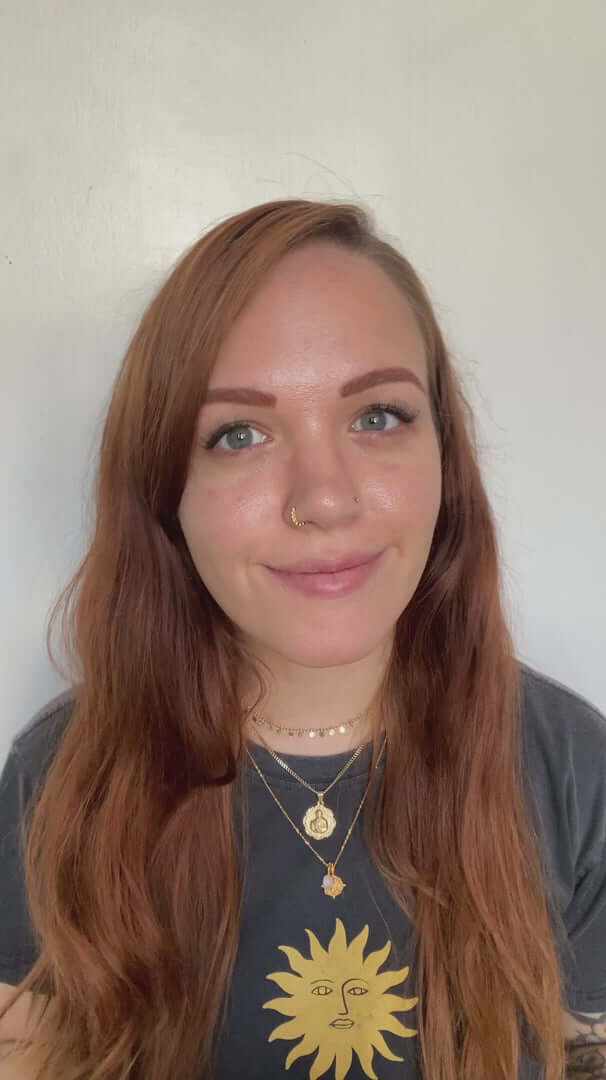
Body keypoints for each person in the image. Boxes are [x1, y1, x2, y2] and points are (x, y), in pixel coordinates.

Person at [1, 199, 605, 1080]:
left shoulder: (573, 771)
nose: (324, 498)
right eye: (238, 433)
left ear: (447, 456)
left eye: (379, 417)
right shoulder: (59, 781)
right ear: (165, 491)